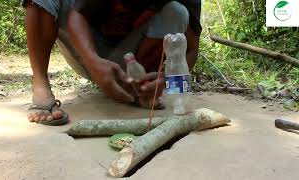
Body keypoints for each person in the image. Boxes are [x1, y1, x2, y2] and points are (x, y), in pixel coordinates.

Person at [22, 0, 202, 126]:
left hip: (134, 62)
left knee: (177, 11)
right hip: (88, 51)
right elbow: (77, 16)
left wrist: (168, 81)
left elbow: (191, 48)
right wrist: (92, 61)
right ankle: (40, 86)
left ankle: (138, 87)